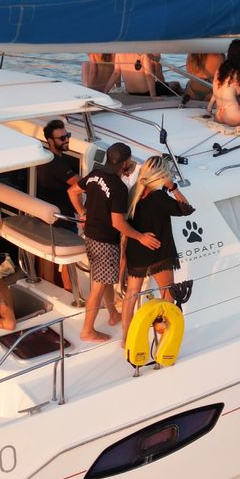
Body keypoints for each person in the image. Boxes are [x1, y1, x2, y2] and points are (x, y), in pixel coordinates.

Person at [76, 142, 158, 342]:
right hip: (105, 241)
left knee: (103, 280)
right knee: (98, 286)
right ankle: (87, 330)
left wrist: (82, 212)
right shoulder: (118, 187)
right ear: (127, 162)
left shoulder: (95, 175)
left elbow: (72, 192)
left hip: (90, 236)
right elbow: (118, 222)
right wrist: (140, 237)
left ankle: (113, 314)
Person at [120, 156, 195, 336]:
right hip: (158, 251)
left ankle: (126, 337)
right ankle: (163, 331)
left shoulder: (134, 193)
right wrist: (173, 188)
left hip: (137, 249)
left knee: (131, 294)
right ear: (162, 174)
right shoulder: (159, 196)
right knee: (168, 292)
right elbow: (186, 209)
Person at [34, 119, 82, 293]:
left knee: (47, 256)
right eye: (62, 138)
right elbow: (80, 184)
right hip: (62, 218)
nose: (66, 140)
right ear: (50, 141)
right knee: (68, 259)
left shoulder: (45, 159)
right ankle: (70, 292)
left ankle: (47, 288)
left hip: (46, 217)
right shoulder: (58, 165)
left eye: (67, 136)